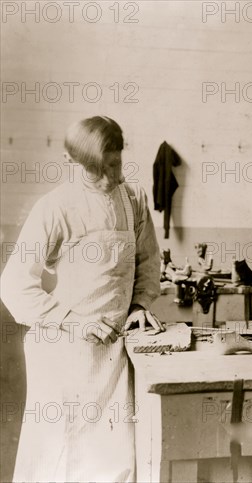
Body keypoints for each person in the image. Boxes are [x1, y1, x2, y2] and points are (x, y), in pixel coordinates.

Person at [0, 116, 162, 482]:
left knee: (114, 456)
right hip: (64, 352)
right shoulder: (55, 208)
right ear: (70, 162)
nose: (109, 179)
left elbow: (149, 261)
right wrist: (75, 321)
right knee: (61, 457)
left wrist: (140, 305)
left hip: (114, 352)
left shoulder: (132, 198)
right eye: (96, 172)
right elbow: (13, 285)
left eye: (116, 165)